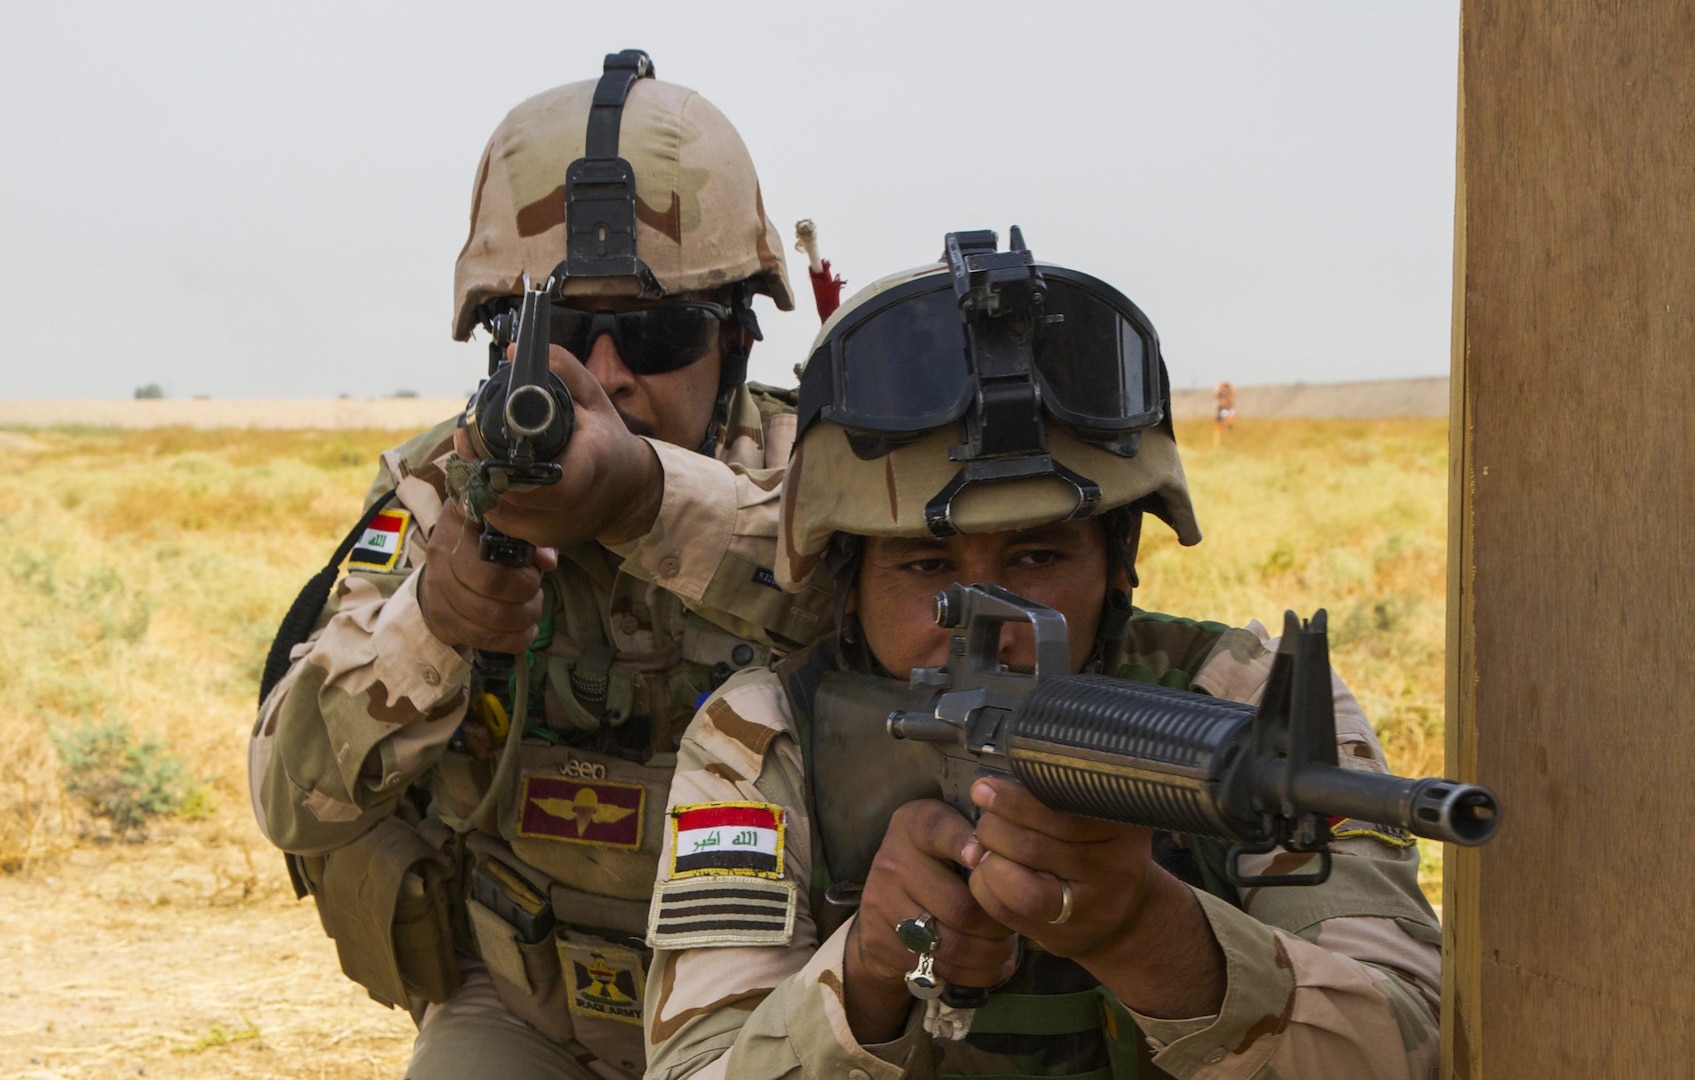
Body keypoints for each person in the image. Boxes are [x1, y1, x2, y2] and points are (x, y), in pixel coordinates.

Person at [641, 231, 1442, 1079]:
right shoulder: (766, 733)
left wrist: (1147, 934)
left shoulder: (1244, 701)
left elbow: (1413, 1046)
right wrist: (865, 977)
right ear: (848, 577)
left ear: (1117, 561)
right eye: (927, 566)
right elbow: (693, 1067)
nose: (992, 620)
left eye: (1038, 557)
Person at [249, 50, 833, 1080]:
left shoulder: (822, 488)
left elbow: (910, 646)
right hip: (527, 1010)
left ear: (735, 339)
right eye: (561, 329)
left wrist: (647, 501)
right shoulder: (447, 489)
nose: (605, 374)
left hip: (773, 1021)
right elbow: (293, 799)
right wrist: (435, 621)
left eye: (655, 332)